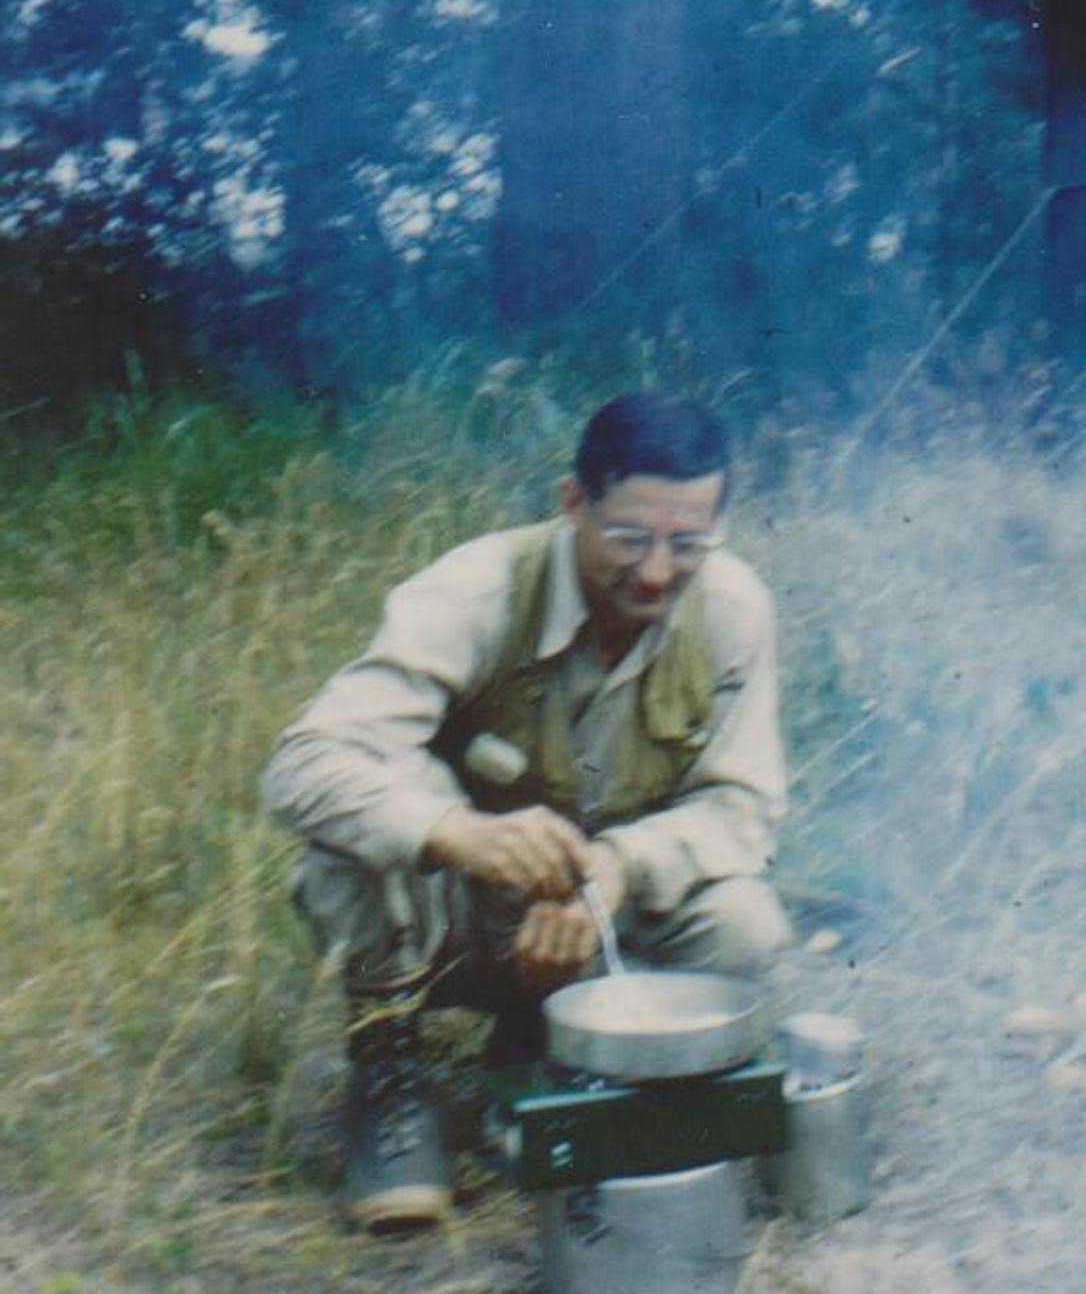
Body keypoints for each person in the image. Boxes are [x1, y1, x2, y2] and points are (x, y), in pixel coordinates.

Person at [262, 391, 791, 1232]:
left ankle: (561, 1051)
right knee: (352, 841)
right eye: (629, 537)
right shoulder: (473, 592)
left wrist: (620, 868)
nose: (656, 572)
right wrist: (457, 834)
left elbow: (743, 805)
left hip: (600, 929)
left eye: (688, 543)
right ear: (572, 502)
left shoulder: (733, 609)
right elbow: (301, 764)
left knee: (746, 922)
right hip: (465, 911)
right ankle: (391, 1072)